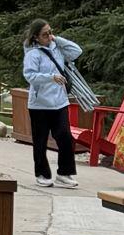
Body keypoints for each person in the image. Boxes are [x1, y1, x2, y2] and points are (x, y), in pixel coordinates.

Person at [21, 20, 83, 189]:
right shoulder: (32, 54)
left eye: (50, 32)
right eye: (45, 34)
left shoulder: (57, 48)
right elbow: (30, 76)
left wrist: (58, 39)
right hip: (40, 104)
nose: (48, 37)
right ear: (36, 37)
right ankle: (42, 173)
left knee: (65, 137)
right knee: (40, 140)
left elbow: (77, 51)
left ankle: (64, 173)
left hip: (59, 102)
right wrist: (50, 77)